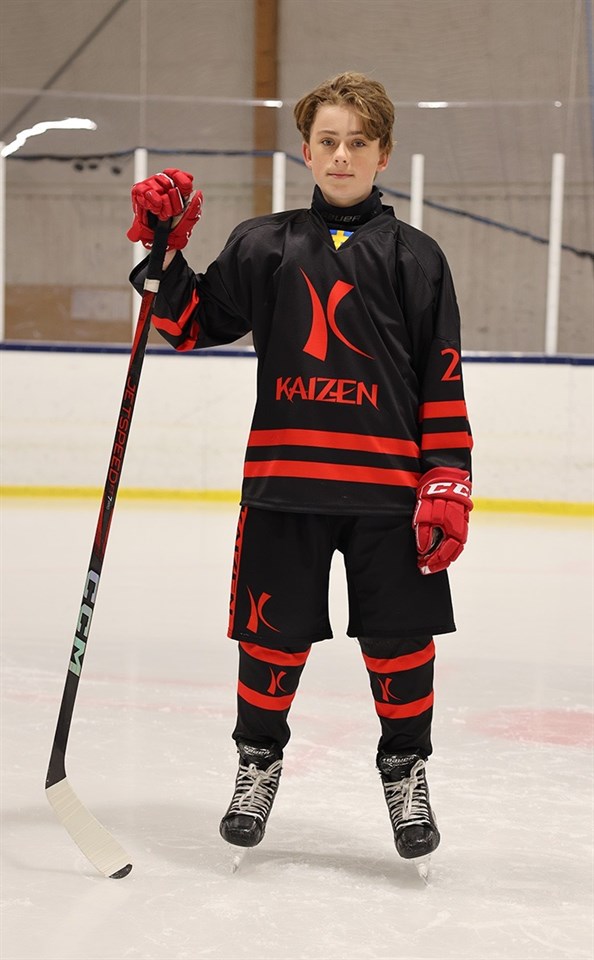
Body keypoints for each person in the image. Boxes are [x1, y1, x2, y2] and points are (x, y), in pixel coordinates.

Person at [127, 72, 473, 870]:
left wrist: (448, 474)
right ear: (307, 151)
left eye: (358, 141)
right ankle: (257, 766)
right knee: (270, 638)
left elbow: (443, 372)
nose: (342, 155)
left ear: (384, 153)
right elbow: (188, 324)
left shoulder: (418, 257)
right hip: (286, 486)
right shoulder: (264, 244)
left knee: (400, 639)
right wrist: (161, 248)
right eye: (328, 141)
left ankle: (405, 772)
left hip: (389, 490)